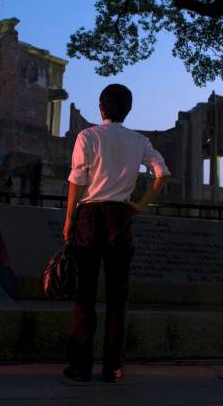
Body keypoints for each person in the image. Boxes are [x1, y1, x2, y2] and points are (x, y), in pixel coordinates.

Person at [62, 84, 170, 383]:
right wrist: (141, 205)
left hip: (89, 214)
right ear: (128, 109)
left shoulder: (88, 136)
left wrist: (69, 218)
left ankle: (81, 366)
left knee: (85, 293)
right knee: (117, 295)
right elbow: (161, 172)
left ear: (101, 107)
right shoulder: (139, 141)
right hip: (120, 215)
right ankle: (113, 367)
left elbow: (77, 178)